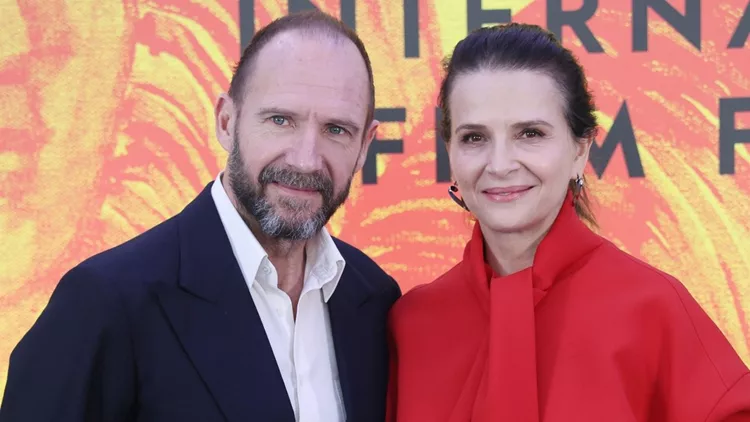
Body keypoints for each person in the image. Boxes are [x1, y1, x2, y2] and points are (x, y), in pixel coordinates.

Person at [0, 10, 401, 422]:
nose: (305, 159)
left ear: (364, 146)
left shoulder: (375, 300)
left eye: (337, 130)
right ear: (226, 121)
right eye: (280, 120)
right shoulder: (105, 303)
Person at [386, 23, 750, 422]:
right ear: (450, 152)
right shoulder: (413, 324)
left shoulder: (653, 308)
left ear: (580, 149)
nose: (501, 164)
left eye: (530, 133)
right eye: (474, 137)